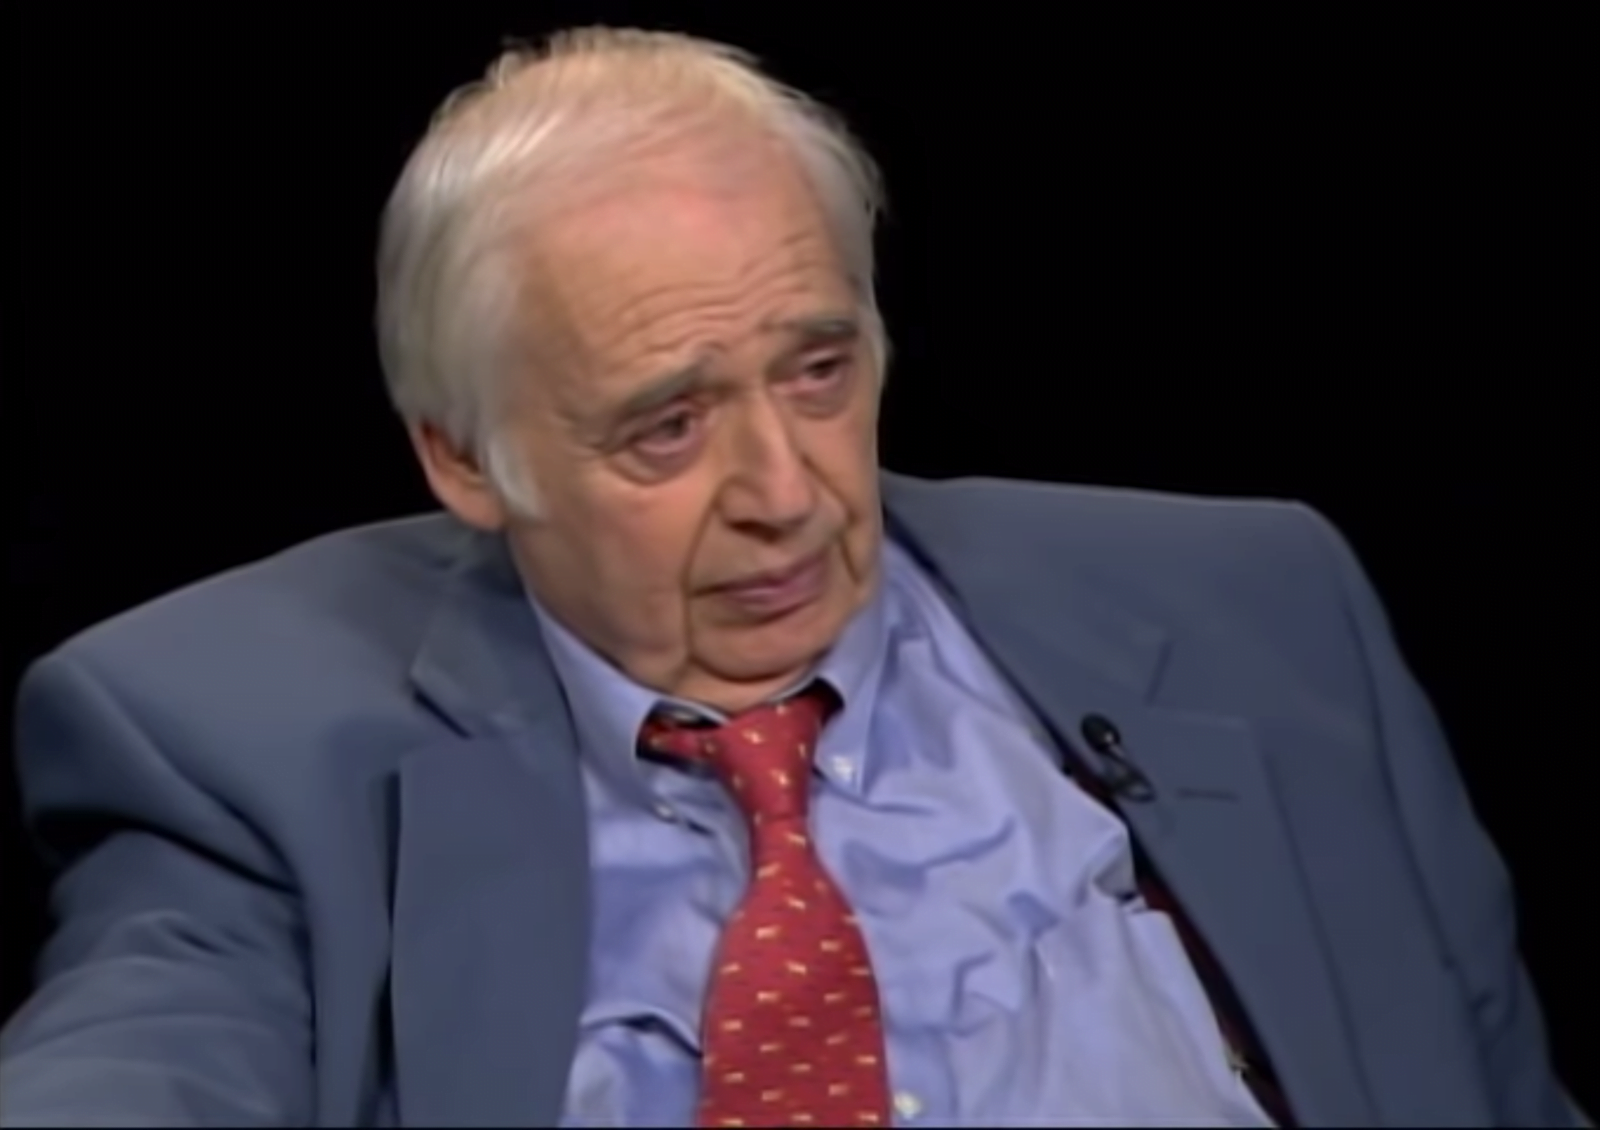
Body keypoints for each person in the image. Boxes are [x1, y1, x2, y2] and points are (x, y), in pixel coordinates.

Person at [0, 26, 1584, 1129]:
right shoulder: (229, 742)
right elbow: (144, 1051)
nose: (788, 493)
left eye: (820, 371)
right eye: (667, 425)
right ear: (466, 458)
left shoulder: (1260, 609)